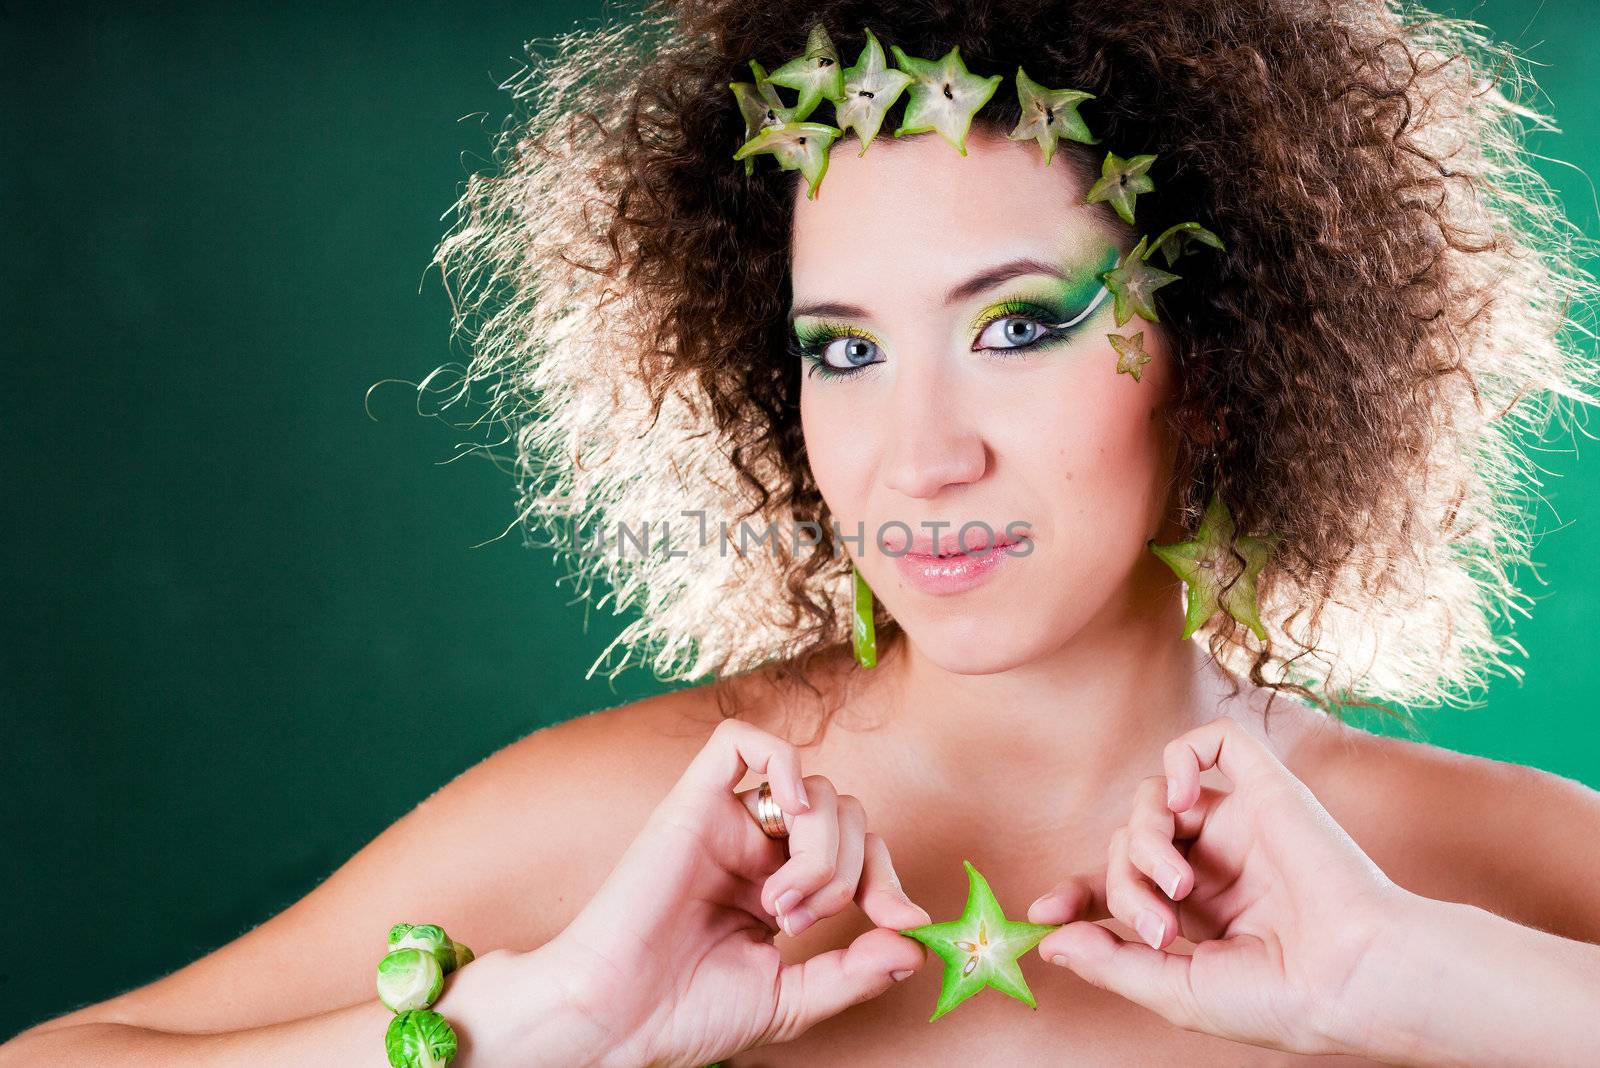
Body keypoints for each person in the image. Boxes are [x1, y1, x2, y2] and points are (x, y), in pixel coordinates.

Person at [5, 0, 1600, 1063]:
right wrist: (537, 1020)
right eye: (842, 348)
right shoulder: (627, 827)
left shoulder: (1481, 869)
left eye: (1021, 325)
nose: (919, 455)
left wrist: (1416, 981)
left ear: (1231, 358)